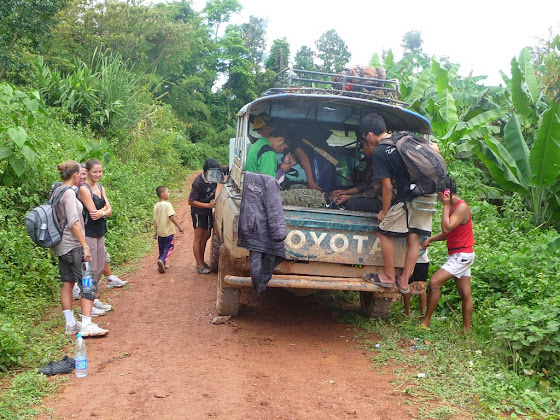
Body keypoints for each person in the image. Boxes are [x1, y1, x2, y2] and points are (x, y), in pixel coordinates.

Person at [360, 113, 433, 294]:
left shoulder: (380, 151)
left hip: (408, 195)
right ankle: (404, 281)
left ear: (369, 135)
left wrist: (385, 211)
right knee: (414, 237)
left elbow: (386, 187)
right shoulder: (403, 138)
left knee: (384, 232)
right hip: (428, 192)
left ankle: (389, 276)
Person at [51, 161, 108, 338]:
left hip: (60, 246)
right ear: (75, 174)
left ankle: (70, 323)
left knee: (67, 282)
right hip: (73, 245)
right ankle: (86, 323)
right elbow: (74, 222)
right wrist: (85, 246)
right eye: (80, 174)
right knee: (87, 281)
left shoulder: (56, 191)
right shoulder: (68, 194)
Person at [420, 177, 475, 332]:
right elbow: (447, 234)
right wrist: (430, 240)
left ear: (446, 192)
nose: (437, 198)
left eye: (439, 194)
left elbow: (446, 228)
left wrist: (445, 206)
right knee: (465, 293)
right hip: (461, 254)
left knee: (434, 282)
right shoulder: (453, 207)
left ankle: (426, 322)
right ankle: (466, 330)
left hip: (461, 255)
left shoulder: (461, 207)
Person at [78, 159, 113, 316]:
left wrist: (103, 212)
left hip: (100, 230)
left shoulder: (100, 187)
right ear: (88, 172)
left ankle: (93, 298)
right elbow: (93, 214)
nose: (98, 175)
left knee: (99, 267)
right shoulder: (84, 189)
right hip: (88, 232)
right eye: (94, 172)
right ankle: (86, 301)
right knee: (89, 270)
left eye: (100, 171)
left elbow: (108, 210)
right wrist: (103, 211)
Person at [188, 158, 223, 274]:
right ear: (205, 171)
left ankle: (202, 261)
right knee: (198, 237)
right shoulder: (198, 183)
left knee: (206, 236)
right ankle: (199, 265)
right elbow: (191, 201)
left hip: (208, 211)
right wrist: (207, 205)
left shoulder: (214, 175)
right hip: (199, 212)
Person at [332, 138, 382, 212]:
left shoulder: (380, 161)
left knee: (352, 204)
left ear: (372, 145)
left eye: (363, 146)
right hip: (372, 194)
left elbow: (372, 192)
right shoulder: (368, 160)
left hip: (381, 200)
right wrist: (345, 192)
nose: (362, 150)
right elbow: (366, 185)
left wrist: (350, 197)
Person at [154, 186, 184, 274]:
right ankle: (162, 260)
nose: (169, 193)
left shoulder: (156, 205)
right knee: (169, 247)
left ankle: (162, 261)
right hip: (168, 231)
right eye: (167, 192)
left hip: (160, 231)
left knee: (162, 247)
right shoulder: (167, 205)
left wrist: (155, 232)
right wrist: (179, 226)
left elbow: (155, 220)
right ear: (162, 194)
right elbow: (171, 217)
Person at [402, 243, 429, 316]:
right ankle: (423, 312)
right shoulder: (424, 233)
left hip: (408, 260)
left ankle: (407, 311)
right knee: (422, 287)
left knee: (406, 285)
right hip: (422, 261)